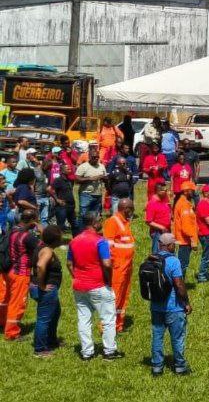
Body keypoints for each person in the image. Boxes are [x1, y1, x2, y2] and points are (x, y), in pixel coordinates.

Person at [68, 212, 122, 360]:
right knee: (108, 319)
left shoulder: (74, 241)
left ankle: (87, 352)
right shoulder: (100, 241)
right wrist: (108, 279)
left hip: (79, 286)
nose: (101, 222)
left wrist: (76, 276)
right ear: (93, 223)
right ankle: (109, 351)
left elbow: (69, 264)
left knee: (84, 319)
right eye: (99, 219)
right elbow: (106, 263)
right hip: (98, 285)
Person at [148, 232, 192, 376]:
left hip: (156, 306)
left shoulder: (151, 259)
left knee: (157, 337)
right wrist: (186, 302)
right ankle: (180, 366)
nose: (175, 247)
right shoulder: (174, 261)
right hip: (174, 307)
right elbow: (179, 285)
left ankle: (157, 367)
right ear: (169, 245)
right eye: (174, 245)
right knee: (177, 337)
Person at [1, 210, 38, 340]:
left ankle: (3, 323)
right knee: (17, 303)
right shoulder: (29, 237)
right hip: (21, 273)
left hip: (9, 270)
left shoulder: (13, 232)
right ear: (33, 220)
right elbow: (43, 248)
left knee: (7, 299)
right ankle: (12, 333)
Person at [102, 198, 135, 332]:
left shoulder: (125, 222)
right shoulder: (113, 222)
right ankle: (107, 327)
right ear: (125, 209)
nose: (132, 212)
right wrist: (112, 265)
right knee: (115, 296)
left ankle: (118, 324)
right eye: (131, 209)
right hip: (118, 267)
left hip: (126, 266)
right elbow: (108, 247)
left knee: (124, 296)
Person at [29, 224, 62, 357]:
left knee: (55, 313)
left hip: (42, 288)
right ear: (55, 240)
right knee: (44, 318)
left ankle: (51, 340)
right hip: (46, 289)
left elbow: (45, 231)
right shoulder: (47, 251)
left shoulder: (41, 245)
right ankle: (40, 349)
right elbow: (40, 266)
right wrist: (42, 285)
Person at [75, 148, 107, 228]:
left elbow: (105, 177)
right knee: (83, 215)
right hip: (86, 194)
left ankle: (92, 233)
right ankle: (81, 233)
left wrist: (105, 178)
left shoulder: (101, 166)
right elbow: (77, 179)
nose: (96, 159)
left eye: (97, 157)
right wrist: (90, 179)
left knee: (95, 216)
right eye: (94, 157)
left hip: (98, 195)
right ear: (89, 157)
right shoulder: (83, 166)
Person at [172, 182, 199, 275]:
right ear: (186, 191)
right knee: (183, 265)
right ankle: (179, 286)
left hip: (184, 240)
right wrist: (193, 239)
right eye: (192, 190)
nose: (194, 193)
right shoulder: (184, 205)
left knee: (182, 264)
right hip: (185, 240)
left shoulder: (185, 203)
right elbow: (186, 225)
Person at [145, 184, 172, 254]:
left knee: (167, 252)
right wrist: (161, 227)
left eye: (166, 190)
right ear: (158, 191)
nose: (166, 192)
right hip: (158, 232)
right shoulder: (152, 203)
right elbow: (148, 221)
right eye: (164, 190)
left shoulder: (164, 201)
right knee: (157, 253)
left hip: (167, 231)